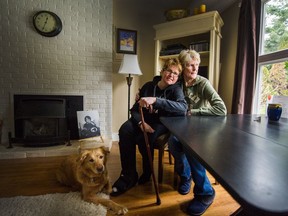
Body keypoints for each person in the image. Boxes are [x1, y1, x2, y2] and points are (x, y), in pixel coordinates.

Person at [111, 58, 188, 196]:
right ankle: (128, 175)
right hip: (142, 119)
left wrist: (157, 101)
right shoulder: (148, 86)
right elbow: (134, 109)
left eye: (176, 73)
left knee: (143, 137)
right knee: (124, 131)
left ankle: (147, 171)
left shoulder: (176, 90)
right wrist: (141, 123)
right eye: (169, 71)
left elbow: (183, 108)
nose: (171, 75)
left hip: (161, 123)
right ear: (162, 71)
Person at [168, 49, 227, 216]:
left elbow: (221, 109)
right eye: (190, 66)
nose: (195, 69)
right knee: (173, 142)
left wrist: (195, 112)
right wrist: (143, 92)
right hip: (182, 126)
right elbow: (161, 79)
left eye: (197, 65)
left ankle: (205, 193)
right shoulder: (178, 82)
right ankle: (185, 176)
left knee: (190, 146)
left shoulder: (203, 83)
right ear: (182, 67)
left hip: (203, 126)